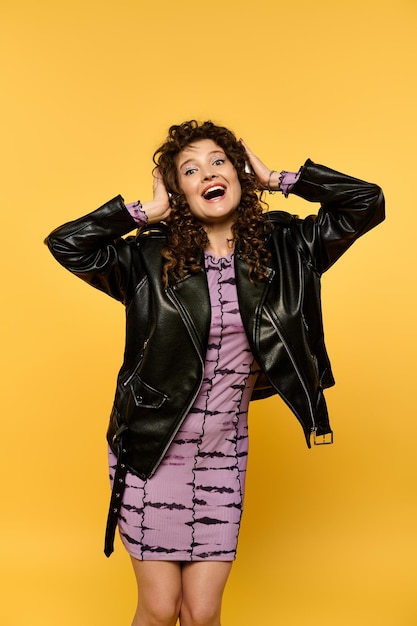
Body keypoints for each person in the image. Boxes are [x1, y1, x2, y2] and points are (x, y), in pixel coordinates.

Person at [45, 120, 385, 626]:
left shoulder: (288, 249)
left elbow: (367, 203)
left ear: (238, 173)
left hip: (223, 451)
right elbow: (67, 244)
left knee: (202, 613)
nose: (208, 172)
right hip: (152, 449)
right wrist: (140, 213)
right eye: (190, 169)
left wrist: (281, 179)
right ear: (179, 191)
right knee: (160, 609)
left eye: (218, 161)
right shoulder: (148, 257)